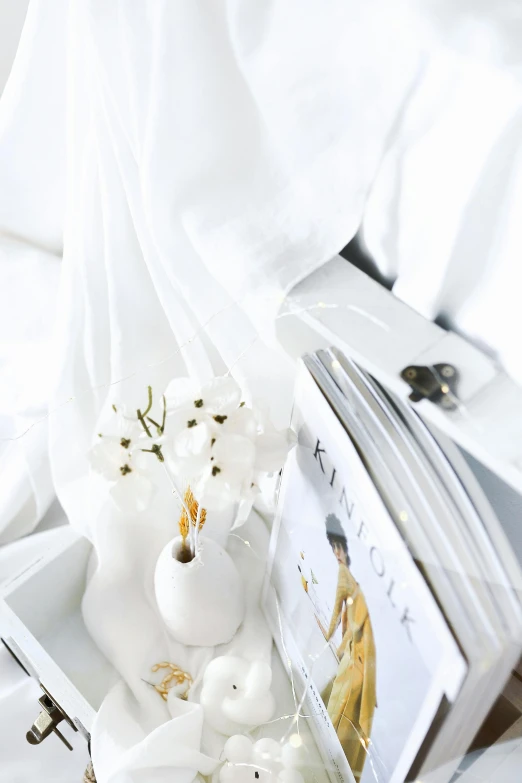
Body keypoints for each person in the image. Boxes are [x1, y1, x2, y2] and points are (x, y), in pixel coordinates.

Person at [316, 513, 376, 783]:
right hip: (358, 659)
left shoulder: (348, 577)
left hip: (357, 659)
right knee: (346, 710)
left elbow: (340, 617)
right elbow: (340, 617)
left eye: (338, 547)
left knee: (340, 708)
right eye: (334, 548)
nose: (337, 553)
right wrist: (330, 635)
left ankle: (329, 764)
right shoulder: (352, 580)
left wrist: (329, 634)